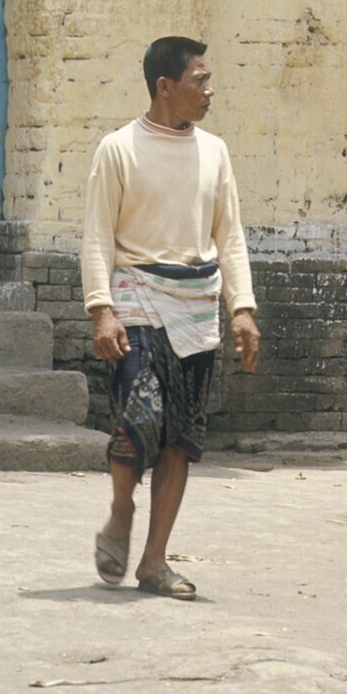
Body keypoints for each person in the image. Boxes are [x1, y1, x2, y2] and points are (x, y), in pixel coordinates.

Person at [82, 36, 262, 600]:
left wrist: (242, 308)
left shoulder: (215, 152)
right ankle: (121, 510)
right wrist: (101, 309)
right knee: (139, 421)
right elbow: (97, 236)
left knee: (180, 440)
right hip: (136, 298)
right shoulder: (118, 149)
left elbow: (229, 235)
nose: (210, 91)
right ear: (165, 86)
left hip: (197, 306)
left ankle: (154, 562)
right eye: (200, 80)